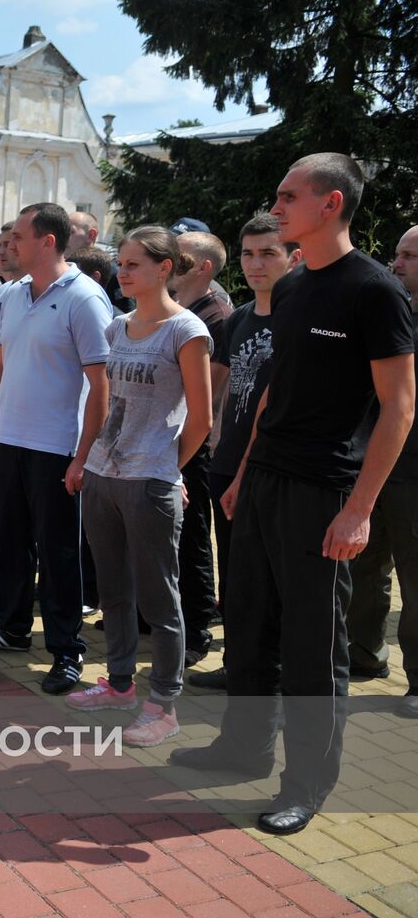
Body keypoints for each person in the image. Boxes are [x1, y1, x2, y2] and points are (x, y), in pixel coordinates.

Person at [170, 153, 415, 836]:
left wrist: (360, 508)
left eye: (288, 196)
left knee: (313, 646)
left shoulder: (375, 291)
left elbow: (398, 407)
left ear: (330, 203)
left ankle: (305, 783)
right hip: (265, 479)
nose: (276, 206)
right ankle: (240, 747)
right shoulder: (298, 284)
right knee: (250, 620)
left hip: (325, 490)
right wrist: (244, 469)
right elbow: (276, 388)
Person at [68, 227, 213, 748]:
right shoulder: (117, 326)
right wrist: (83, 459)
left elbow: (202, 417)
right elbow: (99, 401)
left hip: (149, 481)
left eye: (133, 264)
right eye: (122, 263)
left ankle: (163, 706)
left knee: (161, 598)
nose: (122, 273)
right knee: (114, 592)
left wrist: (168, 469)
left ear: (165, 268)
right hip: (104, 475)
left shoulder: (186, 330)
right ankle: (120, 685)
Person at [0, 203, 113, 694]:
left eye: (19, 238)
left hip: (56, 448)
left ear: (48, 241)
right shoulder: (11, 295)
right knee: (9, 542)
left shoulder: (85, 298)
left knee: (57, 554)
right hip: (9, 439)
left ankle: (66, 651)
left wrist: (83, 454)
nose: (9, 246)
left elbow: (101, 385)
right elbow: (2, 365)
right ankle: (11, 629)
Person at [192, 213, 298, 690]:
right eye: (248, 254)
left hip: (273, 469)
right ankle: (239, 664)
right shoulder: (238, 319)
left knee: (272, 582)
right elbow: (212, 393)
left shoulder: (300, 318)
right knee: (235, 577)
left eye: (268, 253)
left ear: (294, 257)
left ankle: (270, 673)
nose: (256, 264)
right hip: (226, 463)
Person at [347, 225, 418, 716]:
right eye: (398, 253)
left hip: (414, 474)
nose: (397, 263)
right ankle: (365, 654)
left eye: (410, 256)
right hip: (376, 465)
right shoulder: (395, 310)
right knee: (366, 567)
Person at [160, 230, 234, 664]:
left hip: (196, 442)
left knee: (191, 535)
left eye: (180, 254)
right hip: (168, 437)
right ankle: (161, 616)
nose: (169, 258)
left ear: (204, 267)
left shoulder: (216, 315)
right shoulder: (182, 308)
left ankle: (197, 625)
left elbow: (208, 390)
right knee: (169, 533)